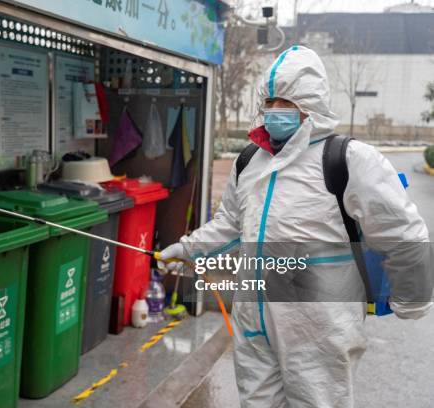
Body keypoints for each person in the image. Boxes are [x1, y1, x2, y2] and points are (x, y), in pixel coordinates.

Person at [158, 45, 433, 407]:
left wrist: (412, 297)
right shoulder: (248, 162)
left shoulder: (347, 160)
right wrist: (188, 248)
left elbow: (402, 233)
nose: (275, 111)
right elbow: (231, 222)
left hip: (318, 326)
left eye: (286, 102)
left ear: (311, 104)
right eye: (269, 102)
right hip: (253, 317)